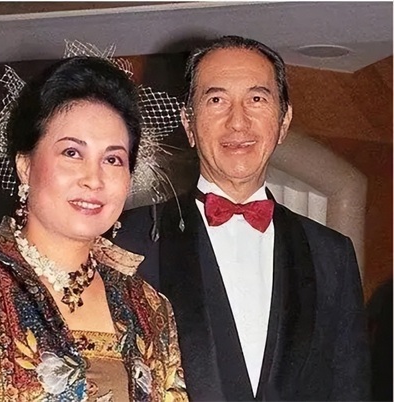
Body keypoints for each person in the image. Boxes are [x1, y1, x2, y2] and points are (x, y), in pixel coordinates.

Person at [0, 57, 188, 401]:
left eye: (113, 159)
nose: (94, 179)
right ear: (25, 166)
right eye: (72, 153)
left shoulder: (150, 307)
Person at [111, 36, 371, 401]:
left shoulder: (331, 254)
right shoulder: (126, 240)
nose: (238, 122)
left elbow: (350, 390)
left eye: (257, 99)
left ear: (283, 121)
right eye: (216, 100)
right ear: (188, 123)